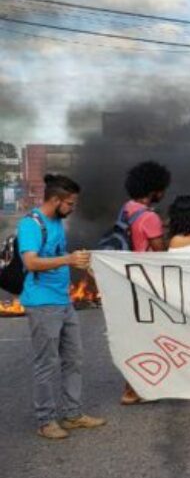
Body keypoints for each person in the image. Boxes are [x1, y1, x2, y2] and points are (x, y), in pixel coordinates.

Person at [18, 174, 105, 440]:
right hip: (43, 304)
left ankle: (73, 413)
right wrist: (68, 259)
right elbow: (31, 263)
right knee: (46, 363)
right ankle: (46, 421)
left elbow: (56, 258)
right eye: (70, 203)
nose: (73, 208)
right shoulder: (31, 224)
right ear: (55, 200)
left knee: (73, 359)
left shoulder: (56, 222)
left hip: (63, 302)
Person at [120, 161, 171, 405]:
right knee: (147, 335)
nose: (163, 193)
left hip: (126, 278)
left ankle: (135, 387)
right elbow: (160, 252)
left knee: (135, 334)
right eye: (162, 188)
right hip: (144, 282)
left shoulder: (127, 208)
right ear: (154, 189)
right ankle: (132, 389)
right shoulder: (149, 216)